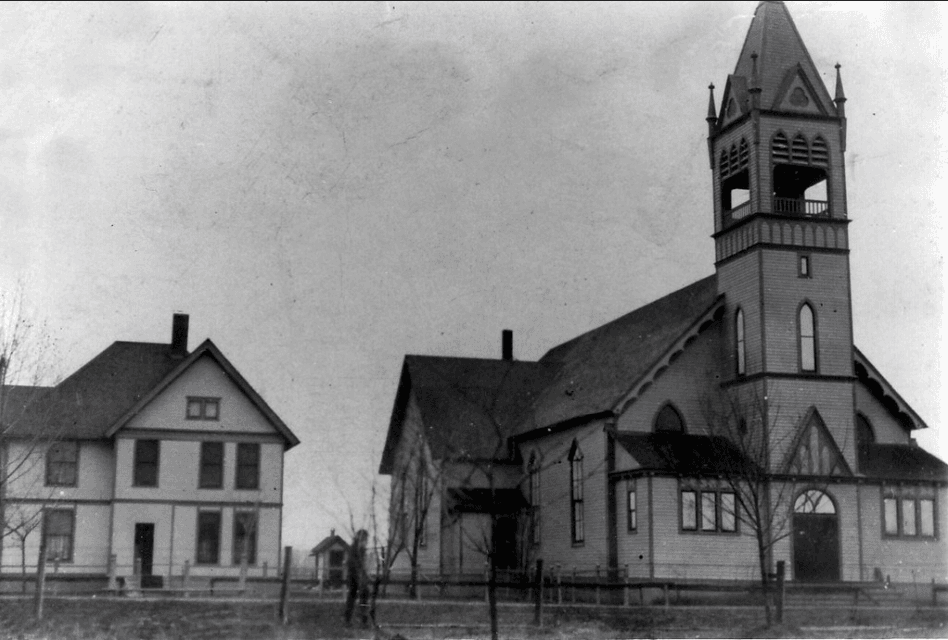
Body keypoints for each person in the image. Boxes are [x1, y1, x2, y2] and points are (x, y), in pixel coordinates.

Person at [343, 529, 370, 627]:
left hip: (360, 576)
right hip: (353, 576)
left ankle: (363, 620)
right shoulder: (354, 549)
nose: (366, 541)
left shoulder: (361, 550)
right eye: (364, 538)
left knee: (364, 595)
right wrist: (358, 572)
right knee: (352, 596)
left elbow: (363, 563)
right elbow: (351, 562)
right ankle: (348, 620)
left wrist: (365, 574)